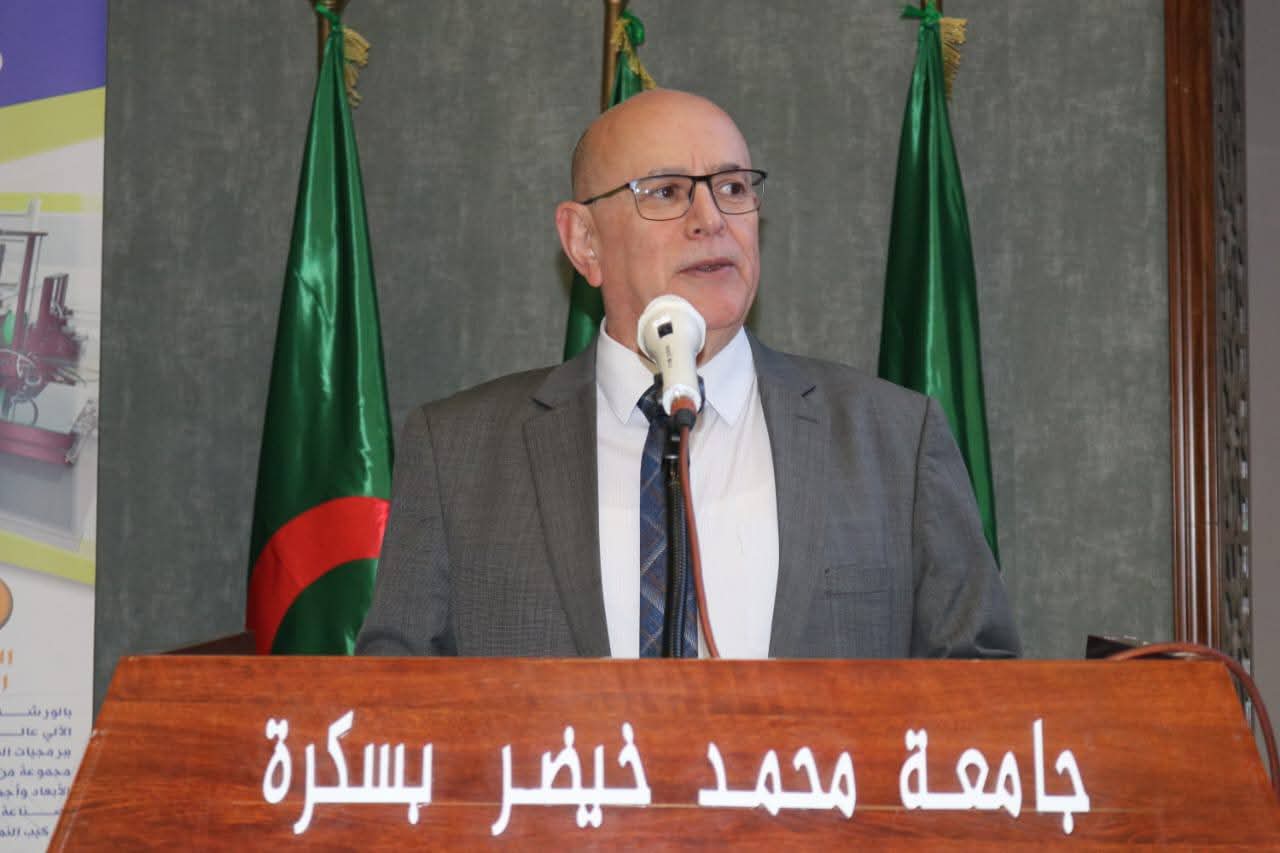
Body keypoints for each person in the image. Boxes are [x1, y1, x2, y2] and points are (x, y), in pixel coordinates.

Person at [356, 89, 1020, 659]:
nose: (711, 220)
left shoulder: (894, 439)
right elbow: (393, 706)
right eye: (668, 192)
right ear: (584, 241)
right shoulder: (458, 453)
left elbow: (981, 692)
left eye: (733, 188)